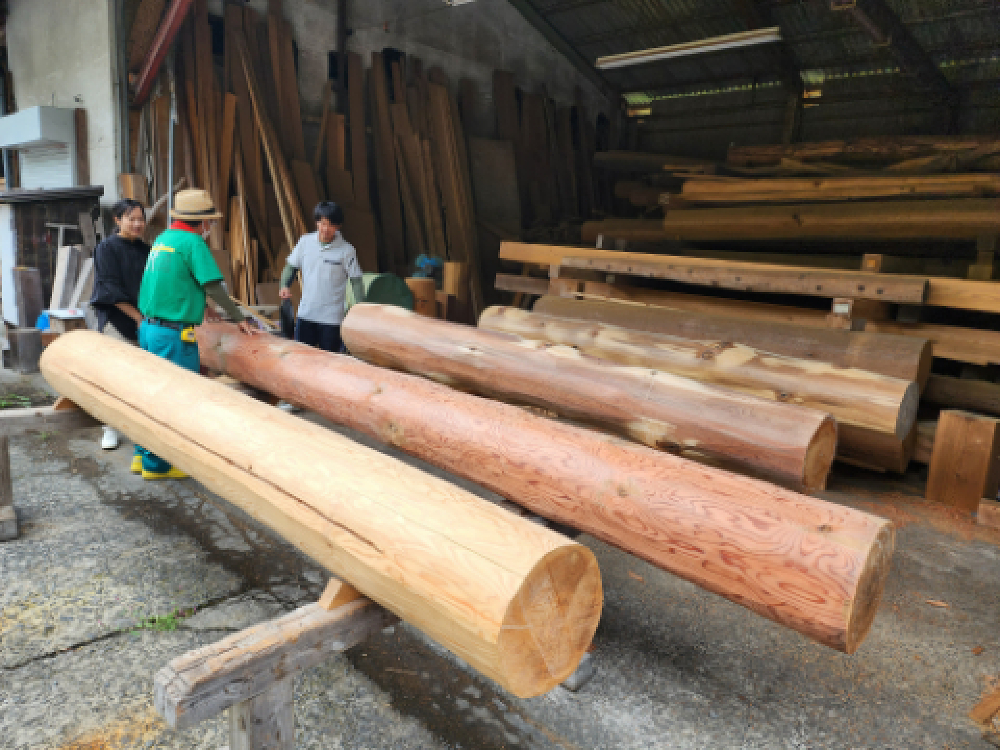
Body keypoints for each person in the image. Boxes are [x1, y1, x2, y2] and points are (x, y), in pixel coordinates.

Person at [134, 188, 260, 480]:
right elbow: (213, 285)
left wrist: (202, 306)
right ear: (201, 222)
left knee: (149, 395)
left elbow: (174, 283)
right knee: (175, 399)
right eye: (210, 222)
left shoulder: (163, 239)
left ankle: (142, 455)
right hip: (172, 335)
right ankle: (158, 465)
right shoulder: (192, 242)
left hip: (150, 328)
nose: (210, 227)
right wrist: (239, 318)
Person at [89, 198, 151, 451]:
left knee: (142, 378)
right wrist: (137, 317)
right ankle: (110, 428)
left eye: (140, 219)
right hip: (116, 321)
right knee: (113, 378)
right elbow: (109, 289)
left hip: (144, 322)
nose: (137, 224)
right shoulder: (106, 248)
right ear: (117, 220)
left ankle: (139, 429)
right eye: (131, 219)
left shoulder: (146, 250)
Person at [278, 201, 365, 354]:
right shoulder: (305, 242)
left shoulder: (347, 250)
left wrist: (361, 310)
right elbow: (291, 267)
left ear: (338, 226)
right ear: (317, 222)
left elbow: (356, 281)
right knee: (302, 357)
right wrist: (284, 286)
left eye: (331, 225)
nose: (325, 229)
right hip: (306, 314)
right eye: (322, 223)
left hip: (332, 319)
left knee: (330, 361)